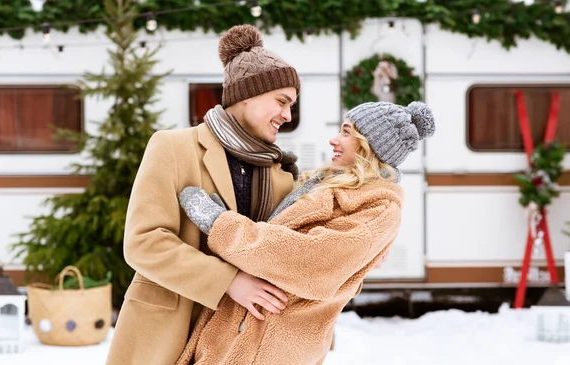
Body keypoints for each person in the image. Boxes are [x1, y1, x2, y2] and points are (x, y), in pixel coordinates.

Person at [176, 100, 436, 365]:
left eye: (346, 132)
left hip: (269, 348)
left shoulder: (378, 209)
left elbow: (306, 260)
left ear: (369, 145)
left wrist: (219, 223)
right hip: (239, 333)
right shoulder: (333, 185)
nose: (334, 139)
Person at [105, 24, 301, 365]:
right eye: (281, 102)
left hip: (233, 342)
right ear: (248, 94)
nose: (287, 115)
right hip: (164, 335)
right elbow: (144, 242)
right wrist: (228, 281)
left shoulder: (282, 176)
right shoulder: (173, 148)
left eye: (291, 106)